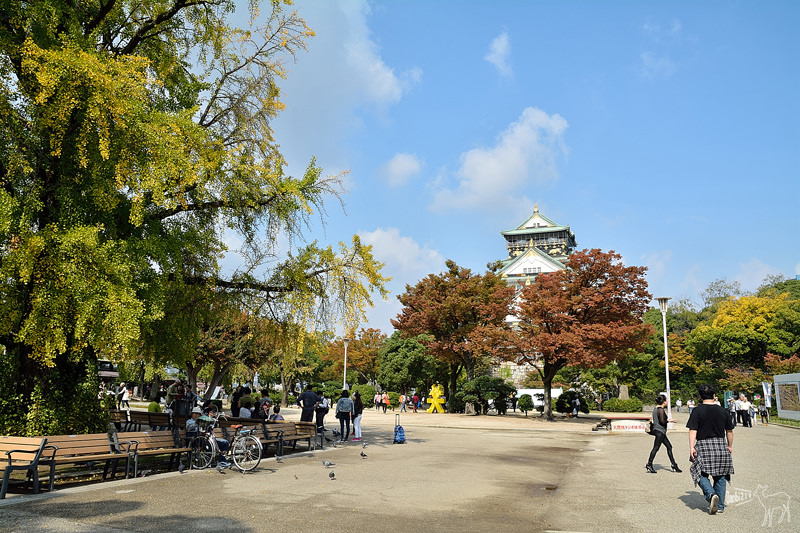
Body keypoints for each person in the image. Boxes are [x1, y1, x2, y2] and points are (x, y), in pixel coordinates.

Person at [687, 384, 734, 515]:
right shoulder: (723, 411)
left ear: (701, 397)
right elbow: (729, 431)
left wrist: (691, 447)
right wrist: (729, 446)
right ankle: (719, 506)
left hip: (703, 445)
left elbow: (693, 430)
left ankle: (711, 494)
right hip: (720, 444)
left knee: (699, 473)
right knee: (721, 475)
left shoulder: (697, 411)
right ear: (714, 396)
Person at [645, 394, 681, 474]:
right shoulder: (660, 410)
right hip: (660, 432)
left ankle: (674, 464)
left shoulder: (655, 409)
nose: (668, 401)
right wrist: (669, 421)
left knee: (669, 446)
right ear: (664, 402)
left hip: (659, 432)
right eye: (667, 400)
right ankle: (649, 464)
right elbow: (662, 421)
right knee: (656, 448)